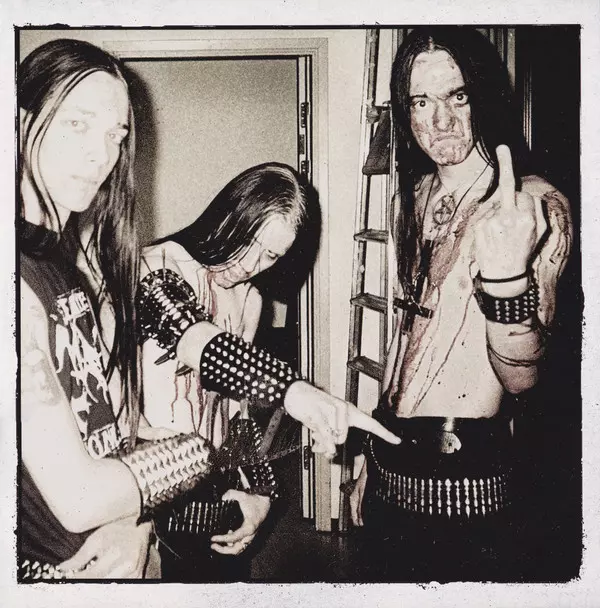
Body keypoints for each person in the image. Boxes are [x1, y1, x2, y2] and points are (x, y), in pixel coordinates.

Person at [18, 37, 399, 581]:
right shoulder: (156, 268)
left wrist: (259, 489)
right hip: (127, 513)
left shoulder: (71, 264)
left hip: (158, 500)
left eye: (115, 136)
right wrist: (285, 399)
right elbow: (193, 337)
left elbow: (225, 412)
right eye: (78, 124)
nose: (101, 155)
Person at [349, 26, 572, 582]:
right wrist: (371, 450)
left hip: (466, 477)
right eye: (421, 102)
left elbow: (524, 377)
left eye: (458, 96)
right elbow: (406, 335)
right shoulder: (414, 195)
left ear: (483, 97)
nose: (441, 120)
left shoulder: (533, 204)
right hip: (390, 460)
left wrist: (505, 278)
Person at [141, 162, 319, 581]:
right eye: (250, 240)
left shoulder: (251, 300)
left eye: (271, 255)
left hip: (213, 491)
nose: (249, 265)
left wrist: (262, 495)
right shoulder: (155, 267)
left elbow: (237, 414)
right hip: (147, 496)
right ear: (228, 215)